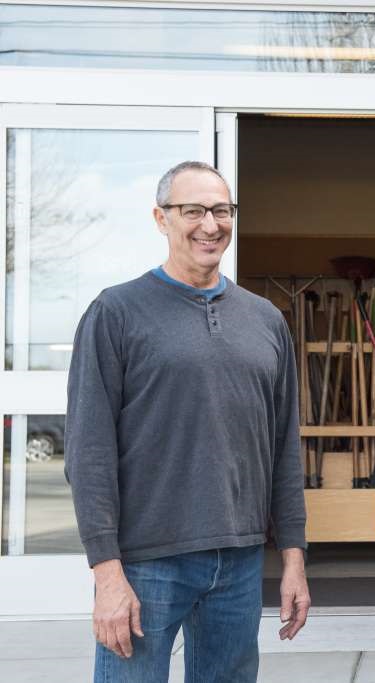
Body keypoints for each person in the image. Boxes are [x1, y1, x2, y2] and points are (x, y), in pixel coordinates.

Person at [65, 161, 311, 683]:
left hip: (240, 560)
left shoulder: (265, 320)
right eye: (193, 210)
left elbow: (283, 448)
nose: (210, 224)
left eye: (222, 211)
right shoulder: (116, 313)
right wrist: (106, 573)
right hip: (146, 563)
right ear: (161, 218)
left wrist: (293, 557)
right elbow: (88, 454)